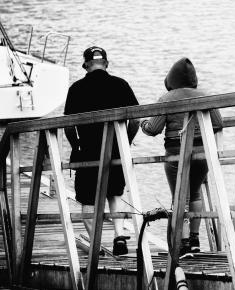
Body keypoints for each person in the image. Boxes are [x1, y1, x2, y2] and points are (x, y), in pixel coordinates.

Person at [141, 57, 223, 257]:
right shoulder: (204, 96)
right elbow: (218, 123)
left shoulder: (167, 99)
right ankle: (195, 240)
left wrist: (142, 123)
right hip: (201, 154)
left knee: (180, 198)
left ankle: (183, 244)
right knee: (194, 195)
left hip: (176, 154)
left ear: (171, 79)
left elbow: (153, 129)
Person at [64, 46, 140, 255]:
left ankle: (95, 243)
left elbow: (68, 126)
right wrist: (126, 142)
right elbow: (135, 120)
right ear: (106, 64)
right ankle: (119, 238)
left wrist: (76, 146)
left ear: (86, 65)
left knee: (88, 199)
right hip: (115, 151)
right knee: (114, 193)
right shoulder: (121, 85)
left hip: (87, 153)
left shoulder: (76, 89)